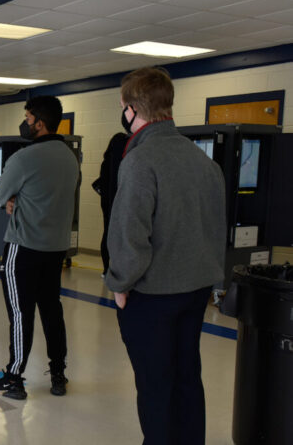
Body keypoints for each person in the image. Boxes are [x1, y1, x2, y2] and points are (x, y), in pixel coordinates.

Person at [106, 67, 225, 445]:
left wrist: (120, 283)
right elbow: (214, 224)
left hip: (153, 294)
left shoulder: (140, 160)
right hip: (195, 289)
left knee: (155, 385)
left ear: (131, 108)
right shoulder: (202, 160)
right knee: (187, 376)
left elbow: (129, 230)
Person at [0, 95, 79, 400]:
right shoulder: (69, 157)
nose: (25, 123)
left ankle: (14, 378)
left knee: (21, 314)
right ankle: (58, 373)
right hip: (55, 248)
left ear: (40, 121)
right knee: (52, 309)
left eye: (27, 118)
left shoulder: (23, 158)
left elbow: (1, 196)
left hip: (23, 248)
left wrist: (14, 200)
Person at [92, 133, 128, 275]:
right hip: (117, 200)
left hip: (108, 200)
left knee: (108, 232)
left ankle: (107, 269)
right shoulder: (124, 149)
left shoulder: (113, 147)